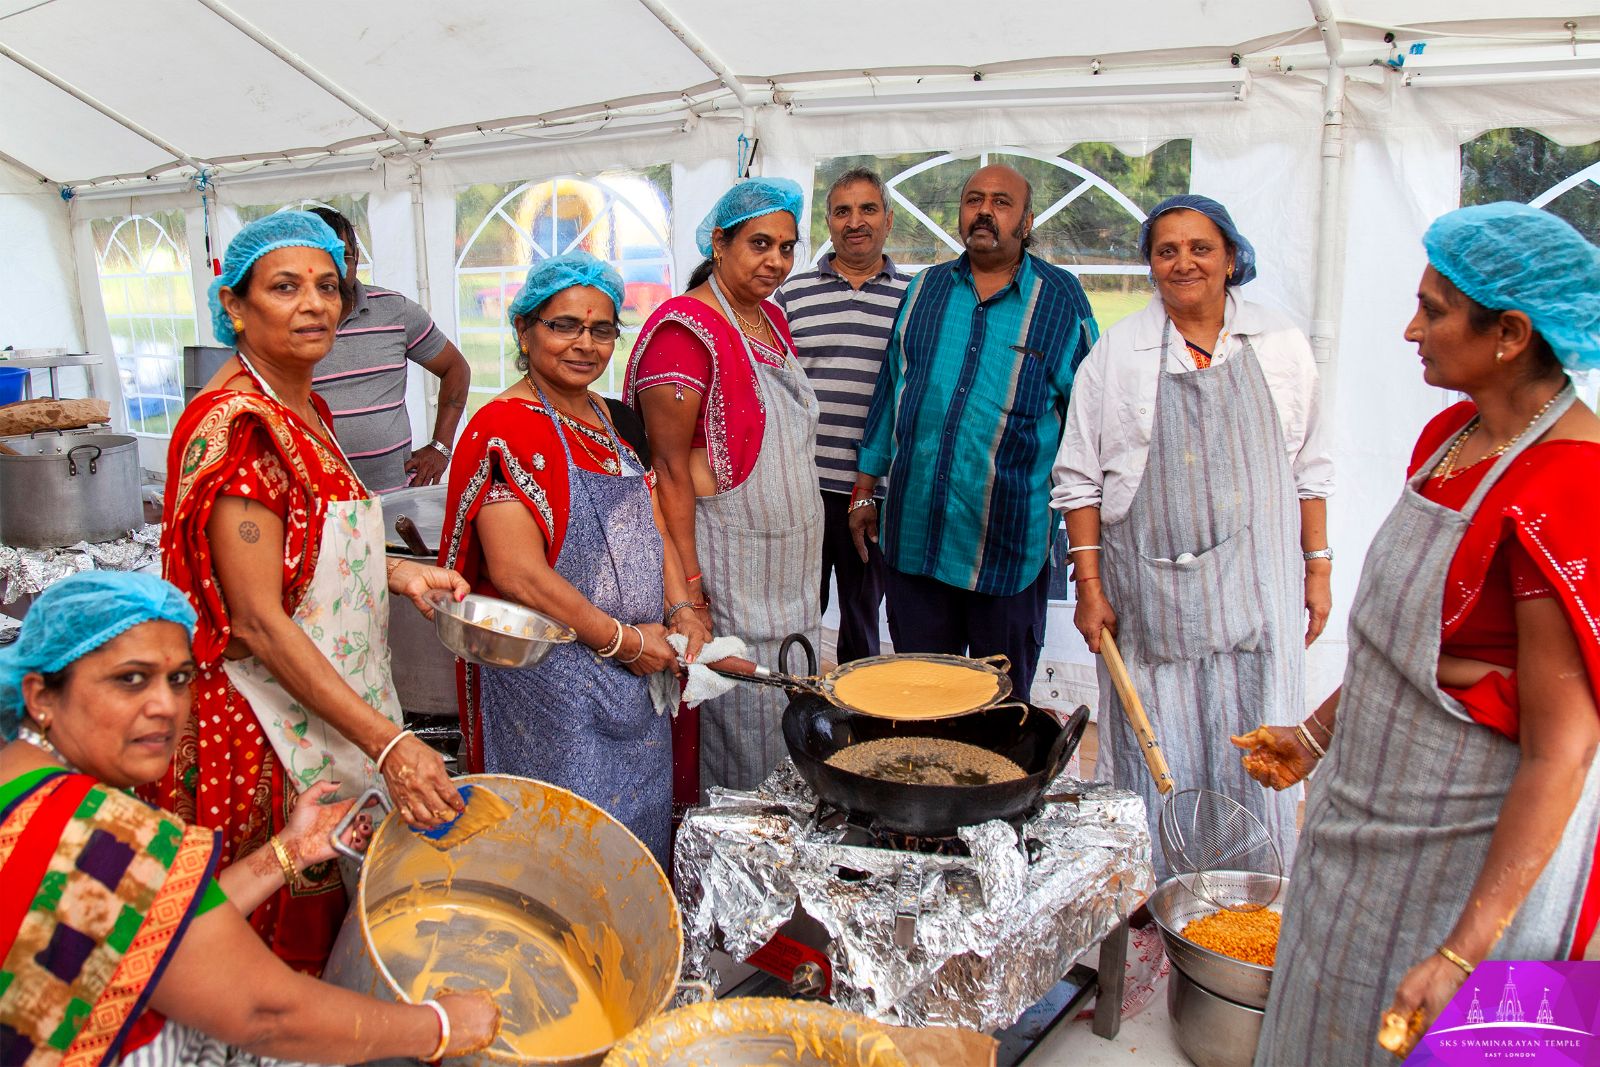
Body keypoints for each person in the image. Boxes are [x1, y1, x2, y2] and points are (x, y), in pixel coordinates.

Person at [1238, 203, 1600, 1066]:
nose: (1412, 328)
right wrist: (1315, 735)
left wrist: (1461, 953)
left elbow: (1564, 750)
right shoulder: (1452, 435)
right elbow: (1405, 640)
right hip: (1366, 825)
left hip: (1464, 860)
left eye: (1434, 310)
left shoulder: (1565, 488)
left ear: (1510, 332)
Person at [0, 572, 499, 1066]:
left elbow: (165, 927)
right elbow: (267, 1014)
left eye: (179, 678)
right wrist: (443, 1025)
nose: (165, 706)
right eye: (130, 679)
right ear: (41, 695)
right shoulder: (102, 830)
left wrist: (293, 850)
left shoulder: (21, 781)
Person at [147, 211, 470, 973]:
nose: (314, 304)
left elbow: (304, 551)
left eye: (328, 286)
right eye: (285, 287)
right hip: (264, 732)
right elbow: (257, 619)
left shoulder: (304, 405)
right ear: (234, 305)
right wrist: (389, 743)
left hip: (316, 705)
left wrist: (397, 569)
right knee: (258, 959)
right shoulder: (243, 430)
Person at [1051, 193, 1334, 879]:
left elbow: (1311, 465)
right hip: (1151, 597)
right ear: (1150, 264)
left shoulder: (1280, 345)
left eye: (1200, 248)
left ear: (1232, 257)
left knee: (1256, 743)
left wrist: (1317, 567)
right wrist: (1089, 589)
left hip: (1256, 592)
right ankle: (1152, 891)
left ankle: (1257, 885)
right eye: (1166, 250)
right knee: (1161, 755)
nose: (1184, 263)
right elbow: (1079, 479)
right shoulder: (1118, 355)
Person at [439, 252, 706, 869]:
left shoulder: (613, 418)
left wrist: (681, 607)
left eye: (602, 328)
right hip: (550, 681)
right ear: (525, 330)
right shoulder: (504, 426)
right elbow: (517, 574)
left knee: (635, 837)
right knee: (566, 849)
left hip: (640, 671)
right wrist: (622, 642)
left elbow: (654, 521)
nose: (585, 343)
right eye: (564, 325)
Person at [848, 164, 1097, 700]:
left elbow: (1088, 424)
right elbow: (890, 393)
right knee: (919, 702)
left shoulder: (1060, 301)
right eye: (973, 199)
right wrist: (865, 490)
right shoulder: (926, 290)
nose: (985, 211)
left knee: (998, 711)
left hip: (1005, 548)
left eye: (1002, 202)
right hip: (916, 543)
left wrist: (1087, 543)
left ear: (1026, 220)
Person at [625, 177, 821, 795]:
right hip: (728, 570)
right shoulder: (685, 333)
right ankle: (733, 873)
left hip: (787, 576)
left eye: (787, 248)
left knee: (786, 720)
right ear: (719, 241)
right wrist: (688, 596)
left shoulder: (768, 318)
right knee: (740, 732)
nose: (776, 261)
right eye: (760, 244)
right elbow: (668, 473)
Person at [774, 168, 909, 662]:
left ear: (888, 220)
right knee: (801, 612)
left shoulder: (914, 298)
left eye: (868, 209)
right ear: (828, 224)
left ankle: (861, 722)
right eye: (843, 211)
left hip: (873, 493)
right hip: (803, 488)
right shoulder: (791, 296)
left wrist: (873, 488)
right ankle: (804, 712)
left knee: (861, 615)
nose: (856, 221)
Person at [306, 207, 471, 493]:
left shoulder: (395, 310)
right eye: (318, 257)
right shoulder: (286, 327)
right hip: (316, 503)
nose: (331, 269)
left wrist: (441, 448)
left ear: (356, 257)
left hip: (392, 499)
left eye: (341, 256)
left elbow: (456, 369)